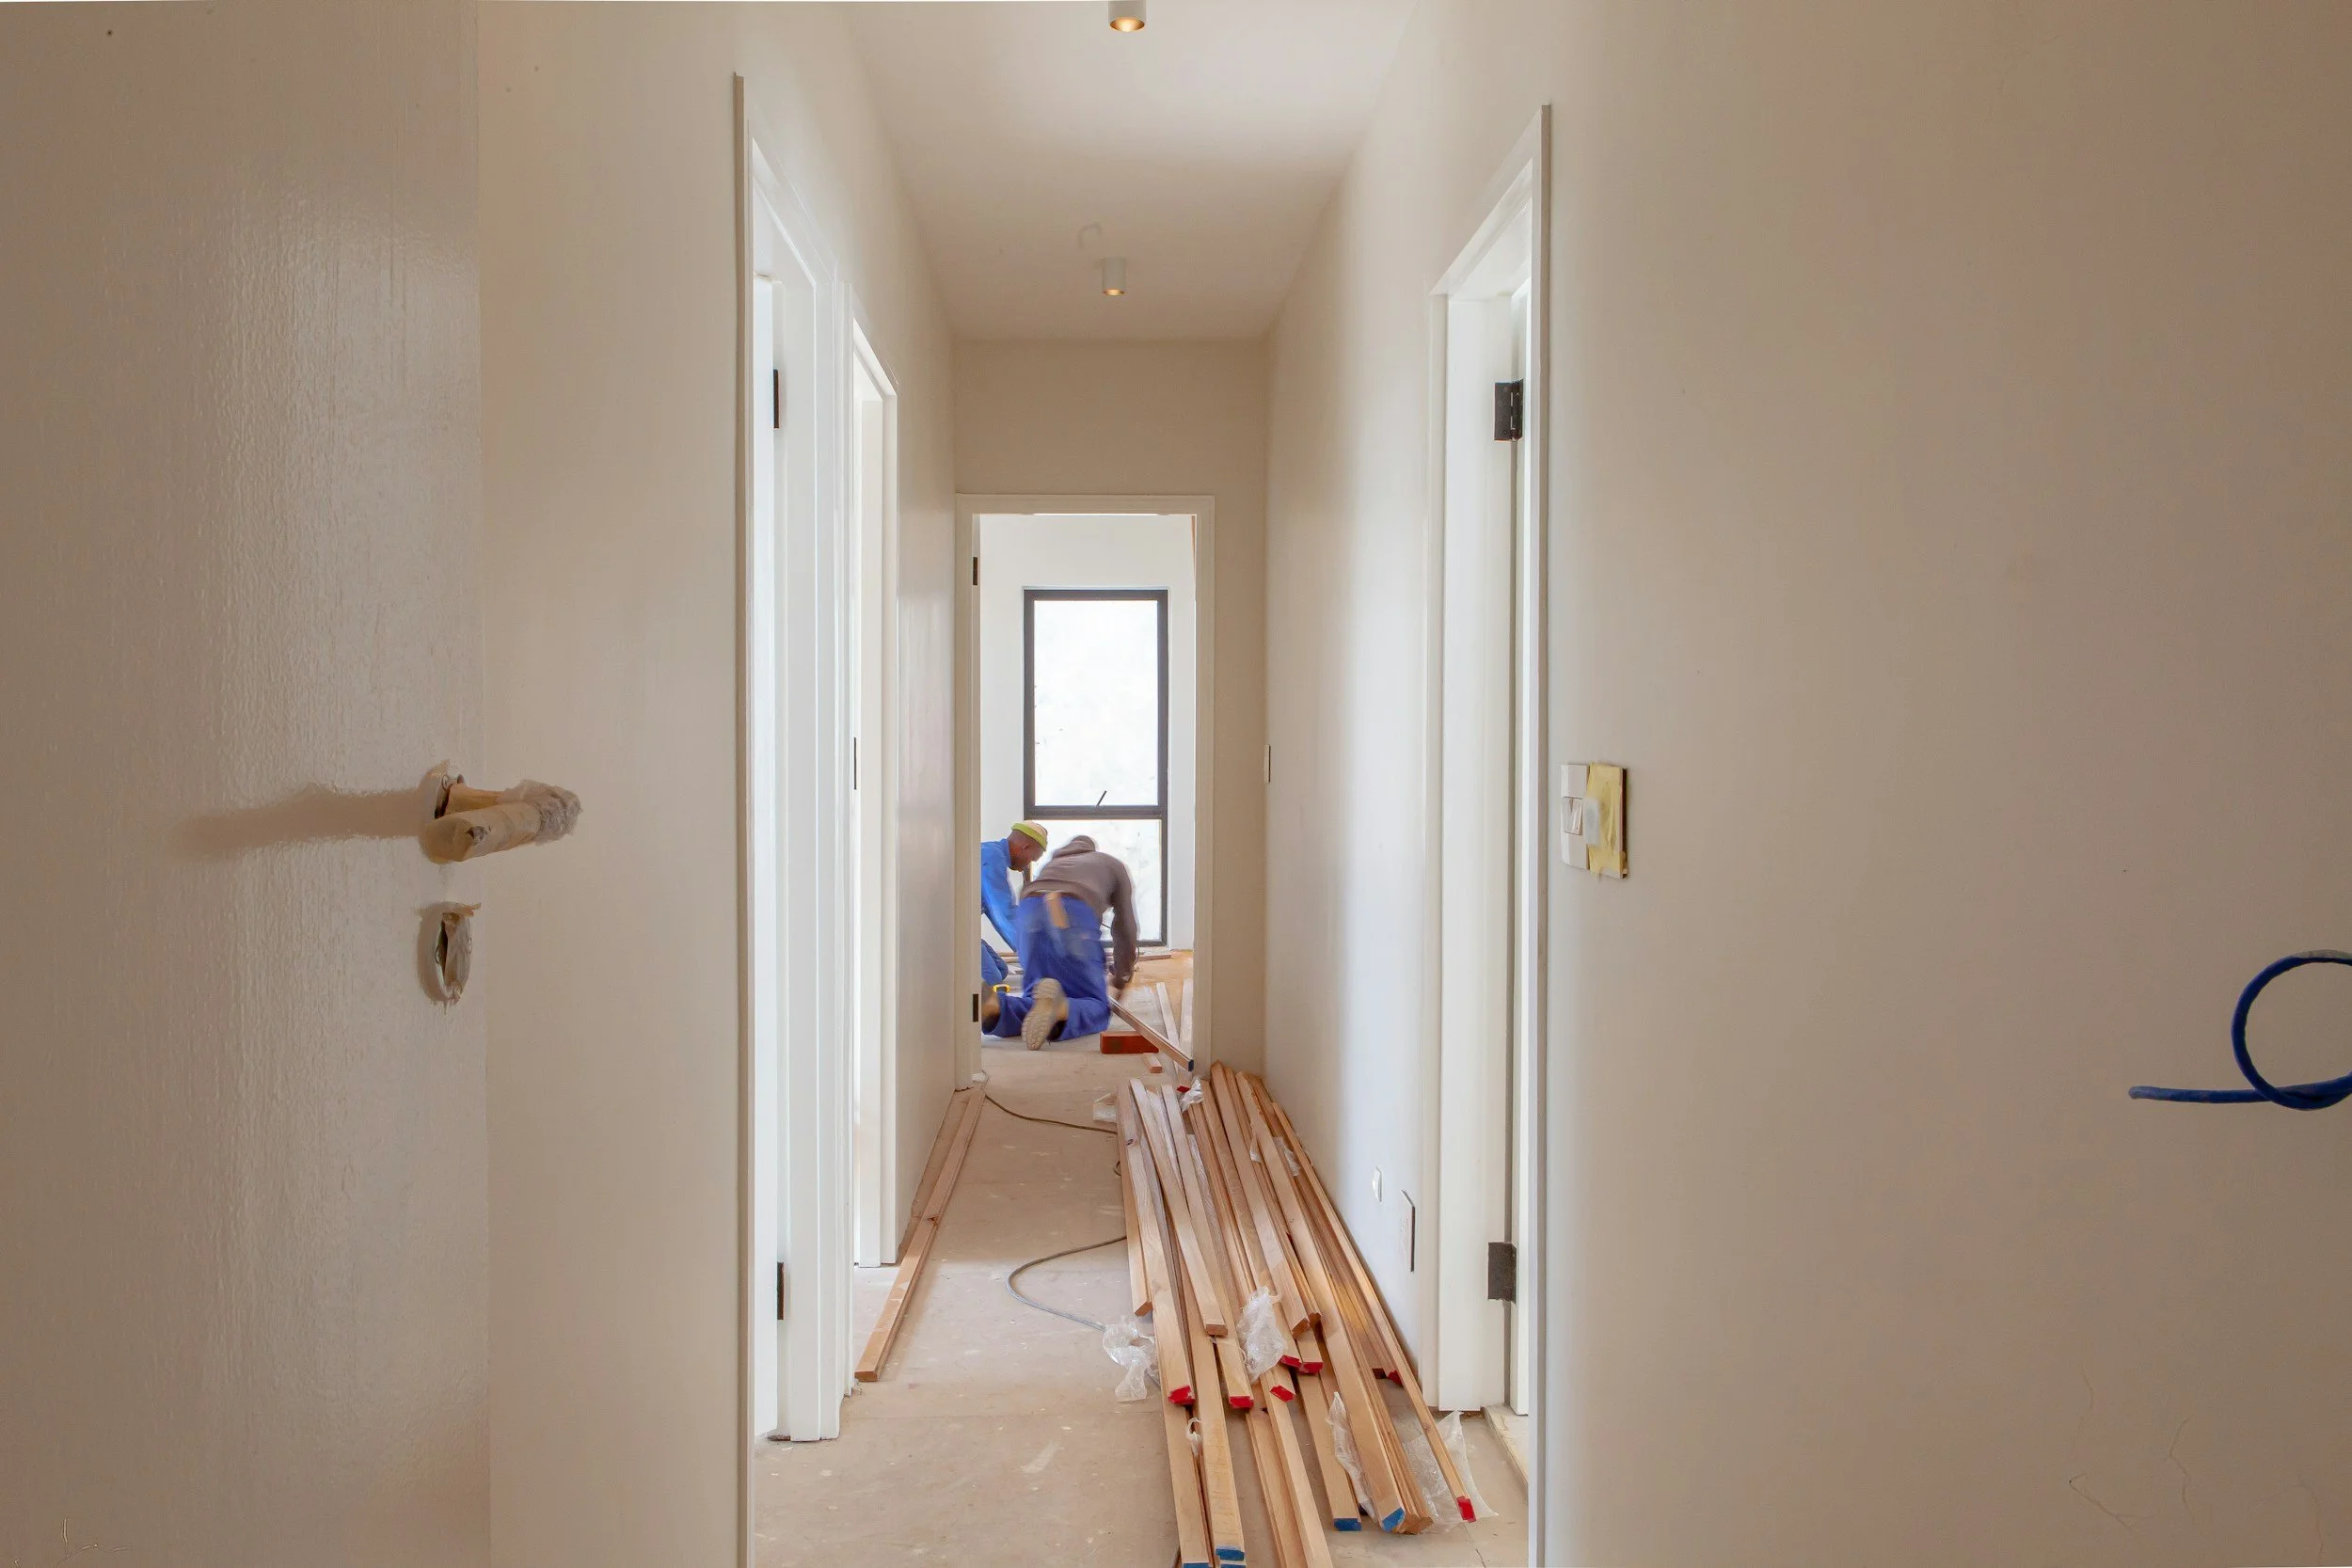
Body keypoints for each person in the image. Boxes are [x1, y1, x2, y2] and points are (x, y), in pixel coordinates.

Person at [980, 834, 1138, 1051]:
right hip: (1071, 912)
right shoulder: (1111, 864)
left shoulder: (1053, 864)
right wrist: (1122, 974)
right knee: (1097, 1005)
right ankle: (1062, 1007)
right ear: (1092, 849)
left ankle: (995, 1006)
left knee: (1036, 996)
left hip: (1028, 914)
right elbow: (1125, 927)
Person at [980, 820, 1050, 987]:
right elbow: (1003, 911)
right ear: (1025, 847)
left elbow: (996, 911)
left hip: (960, 929)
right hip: (949, 930)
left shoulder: (992, 853)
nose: (1027, 866)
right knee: (992, 977)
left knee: (1001, 970)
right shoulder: (992, 856)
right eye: (1031, 859)